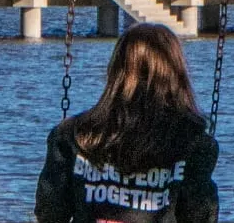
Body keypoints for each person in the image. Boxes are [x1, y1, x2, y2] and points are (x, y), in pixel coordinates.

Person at [35, 24, 218, 222]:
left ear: (114, 71)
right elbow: (200, 216)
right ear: (176, 75)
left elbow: (49, 212)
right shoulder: (193, 143)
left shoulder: (71, 136)